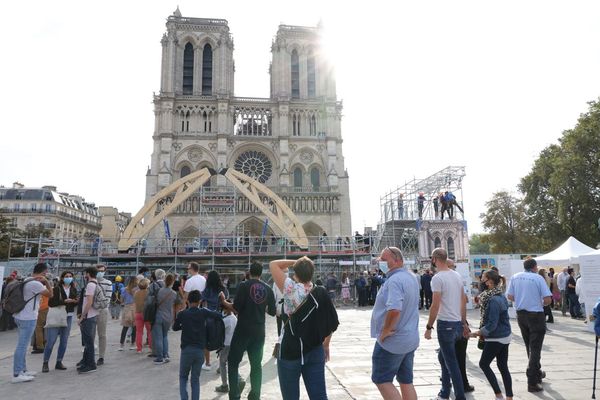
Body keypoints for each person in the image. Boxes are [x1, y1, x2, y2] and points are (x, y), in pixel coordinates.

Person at [270, 256, 339, 400]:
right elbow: (331, 321)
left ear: (295, 274)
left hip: (290, 348)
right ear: (312, 273)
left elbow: (273, 264)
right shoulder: (320, 292)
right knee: (319, 396)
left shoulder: (290, 288)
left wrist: (295, 261)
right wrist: (326, 344)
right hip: (315, 348)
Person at [370, 247, 419, 400]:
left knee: (381, 379)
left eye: (384, 259)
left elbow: (395, 309)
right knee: (406, 380)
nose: (381, 263)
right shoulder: (411, 277)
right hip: (409, 338)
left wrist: (385, 331)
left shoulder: (395, 280)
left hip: (393, 341)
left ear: (397, 260)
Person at [228, 261, 276, 400]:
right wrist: (262, 307)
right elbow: (272, 312)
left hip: (243, 329)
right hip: (259, 331)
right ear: (261, 273)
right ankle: (255, 395)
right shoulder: (268, 289)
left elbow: (236, 307)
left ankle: (234, 395)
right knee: (256, 365)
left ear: (249, 272)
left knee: (233, 362)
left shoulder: (243, 285)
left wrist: (224, 302)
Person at [424, 248, 468, 400]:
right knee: (443, 358)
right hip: (456, 323)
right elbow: (463, 300)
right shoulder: (456, 275)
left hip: (445, 325)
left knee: (451, 363)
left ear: (435, 259)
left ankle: (460, 396)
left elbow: (435, 305)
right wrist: (463, 323)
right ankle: (444, 392)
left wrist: (429, 327)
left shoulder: (437, 278)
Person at [506, 258, 552, 392]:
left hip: (521, 315)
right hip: (535, 315)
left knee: (529, 346)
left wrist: (522, 299)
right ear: (534, 267)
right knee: (535, 348)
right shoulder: (538, 278)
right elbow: (548, 299)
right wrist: (539, 303)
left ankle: (536, 372)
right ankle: (532, 380)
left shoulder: (515, 277)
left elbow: (510, 296)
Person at [471, 270, 513, 400]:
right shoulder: (499, 295)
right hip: (505, 335)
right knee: (502, 366)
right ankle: (509, 397)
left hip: (497, 337)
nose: (481, 281)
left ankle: (498, 395)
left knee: (484, 364)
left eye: (483, 278)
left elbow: (492, 324)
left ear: (489, 281)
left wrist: (477, 333)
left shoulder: (493, 299)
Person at [173, 289, 222, 400]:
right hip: (200, 350)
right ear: (200, 301)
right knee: (195, 379)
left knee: (183, 377)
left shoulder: (183, 314)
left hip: (186, 350)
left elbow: (174, 327)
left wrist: (184, 326)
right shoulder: (203, 312)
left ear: (188, 301)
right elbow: (218, 315)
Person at [11, 262, 53, 383]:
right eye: (46, 273)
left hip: (20, 316)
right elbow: (50, 294)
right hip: (28, 318)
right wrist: (46, 282)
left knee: (22, 345)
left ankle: (23, 370)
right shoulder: (35, 283)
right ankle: (17, 373)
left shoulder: (27, 280)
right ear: (43, 272)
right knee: (22, 346)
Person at [42, 271, 78, 373]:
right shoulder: (56, 289)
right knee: (51, 341)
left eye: (70, 276)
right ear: (62, 278)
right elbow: (51, 302)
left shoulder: (73, 288)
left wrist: (75, 301)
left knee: (64, 341)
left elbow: (74, 302)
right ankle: (45, 362)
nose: (69, 278)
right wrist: (64, 302)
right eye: (66, 276)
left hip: (68, 316)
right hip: (56, 316)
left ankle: (59, 361)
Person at [200, 270, 231, 370]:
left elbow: (202, 300)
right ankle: (220, 365)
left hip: (208, 317)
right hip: (221, 317)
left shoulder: (207, 289)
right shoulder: (223, 288)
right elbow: (226, 300)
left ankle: (208, 363)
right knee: (221, 340)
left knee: (206, 340)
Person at [78, 266, 101, 374]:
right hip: (93, 315)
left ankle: (91, 364)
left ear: (88, 274)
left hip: (89, 316)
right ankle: (86, 362)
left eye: (85, 273)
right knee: (88, 341)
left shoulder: (90, 285)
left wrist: (82, 316)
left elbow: (89, 302)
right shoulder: (96, 283)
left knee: (89, 342)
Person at [153, 273, 177, 364]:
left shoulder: (159, 291)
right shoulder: (174, 293)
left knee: (158, 337)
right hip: (168, 316)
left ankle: (159, 357)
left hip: (159, 315)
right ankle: (166, 355)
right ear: (173, 282)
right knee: (165, 336)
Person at [215, 307, 238, 393]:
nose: (223, 311)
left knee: (222, 364)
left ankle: (224, 385)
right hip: (233, 343)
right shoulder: (234, 318)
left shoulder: (226, 320)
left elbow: (218, 331)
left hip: (225, 344)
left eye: (224, 309)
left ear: (227, 309)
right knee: (230, 362)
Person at [95, 264, 112, 366]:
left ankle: (101, 356)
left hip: (102, 310)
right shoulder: (91, 282)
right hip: (91, 311)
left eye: (102, 271)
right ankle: (88, 355)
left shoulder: (108, 283)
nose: (100, 272)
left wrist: (97, 305)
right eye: (98, 271)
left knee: (102, 334)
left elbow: (107, 300)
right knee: (90, 335)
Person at [134, 278, 152, 353]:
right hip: (147, 313)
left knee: (139, 332)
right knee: (150, 331)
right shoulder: (149, 292)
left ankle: (139, 349)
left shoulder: (136, 293)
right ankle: (151, 348)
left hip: (138, 313)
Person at [119, 276, 137, 350]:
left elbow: (121, 300)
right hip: (135, 308)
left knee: (125, 327)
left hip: (127, 308)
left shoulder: (124, 289)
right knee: (134, 327)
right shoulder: (137, 289)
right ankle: (132, 344)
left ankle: (121, 345)